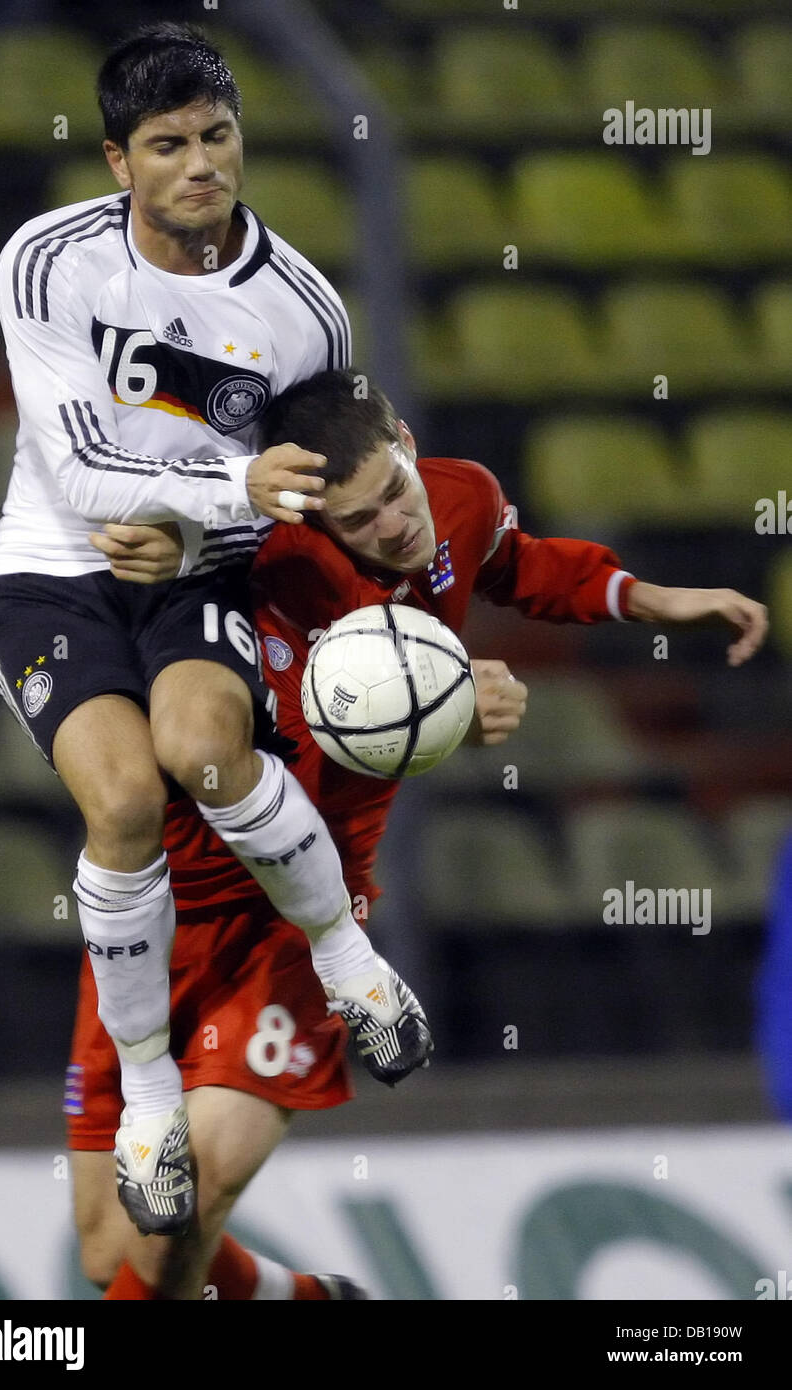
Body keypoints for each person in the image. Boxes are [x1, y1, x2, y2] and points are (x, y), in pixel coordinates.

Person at [70, 368, 768, 1299]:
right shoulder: (253, 568)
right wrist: (433, 702)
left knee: (184, 1207)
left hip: (304, 920)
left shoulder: (458, 495)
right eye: (357, 522)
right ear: (311, 524)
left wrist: (651, 598)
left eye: (394, 491)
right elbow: (241, 716)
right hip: (161, 908)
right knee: (108, 1249)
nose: (395, 525)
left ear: (402, 438)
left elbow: (516, 561)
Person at [0, 24, 431, 1241]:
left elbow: (308, 494)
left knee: (206, 749)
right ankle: (150, 1099)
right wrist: (207, 502)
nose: (199, 166)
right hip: (55, 575)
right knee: (122, 804)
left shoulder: (302, 312)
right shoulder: (47, 261)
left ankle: (349, 960)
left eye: (216, 137)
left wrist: (197, 537)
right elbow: (78, 462)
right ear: (119, 159)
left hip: (196, 573)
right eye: (167, 145)